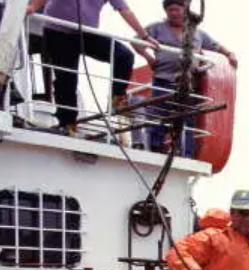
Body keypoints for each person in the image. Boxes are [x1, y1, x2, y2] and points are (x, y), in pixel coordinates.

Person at [27, 0, 158, 130]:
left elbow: (124, 10)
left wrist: (145, 37)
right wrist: (32, 7)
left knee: (124, 56)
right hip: (57, 31)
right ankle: (67, 123)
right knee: (66, 78)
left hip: (86, 33)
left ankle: (117, 97)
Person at [138, 0, 237, 156]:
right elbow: (136, 41)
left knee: (187, 120)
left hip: (188, 85)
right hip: (164, 80)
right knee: (159, 116)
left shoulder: (197, 32)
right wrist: (148, 58)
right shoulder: (156, 28)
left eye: (177, 9)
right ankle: (156, 150)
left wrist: (230, 54)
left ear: (185, 10)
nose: (174, 13)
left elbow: (216, 46)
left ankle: (186, 154)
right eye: (170, 10)